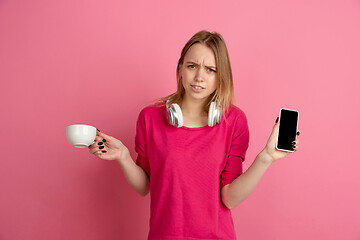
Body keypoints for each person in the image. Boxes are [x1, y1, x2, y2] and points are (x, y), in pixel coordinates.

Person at [88, 30, 300, 240]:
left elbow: (230, 199)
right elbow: (145, 187)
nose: (199, 77)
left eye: (210, 70)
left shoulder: (234, 121)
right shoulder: (149, 118)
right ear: (180, 68)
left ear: (220, 77)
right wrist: (123, 156)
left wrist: (266, 158)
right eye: (192, 66)